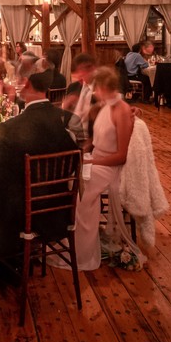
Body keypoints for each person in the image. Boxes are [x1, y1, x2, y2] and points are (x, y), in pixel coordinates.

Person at [0, 72, 80, 260]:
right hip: (59, 208)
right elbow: (74, 160)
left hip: (24, 212)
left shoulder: (8, 128)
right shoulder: (65, 118)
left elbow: (2, 178)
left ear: (29, 88)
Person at [71, 66, 134, 271]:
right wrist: (83, 150)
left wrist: (91, 162)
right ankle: (74, 242)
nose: (94, 92)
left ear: (105, 87)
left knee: (80, 193)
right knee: (71, 180)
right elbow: (95, 140)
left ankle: (83, 253)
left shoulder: (122, 110)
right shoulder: (106, 106)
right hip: (97, 160)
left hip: (111, 168)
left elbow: (121, 156)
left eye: (96, 88)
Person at [62, 52, 97, 144]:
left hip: (89, 139)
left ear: (92, 69)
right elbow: (65, 115)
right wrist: (65, 107)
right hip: (69, 135)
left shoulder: (102, 89)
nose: (79, 79)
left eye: (81, 74)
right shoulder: (73, 87)